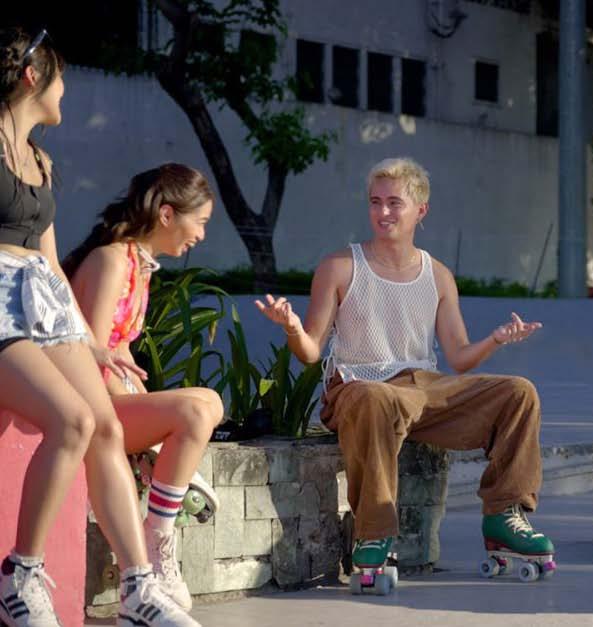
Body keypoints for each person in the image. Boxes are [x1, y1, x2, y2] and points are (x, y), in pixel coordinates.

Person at [255, 157, 554, 590]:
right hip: (358, 386)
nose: (383, 212)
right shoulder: (339, 266)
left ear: (420, 210)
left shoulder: (438, 275)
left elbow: (458, 357)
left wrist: (496, 339)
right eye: (375, 202)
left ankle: (504, 515)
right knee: (375, 396)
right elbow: (311, 352)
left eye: (395, 203)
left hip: (422, 390)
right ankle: (374, 531)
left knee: (519, 392)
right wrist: (292, 327)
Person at [0, 27, 198, 626]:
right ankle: (20, 577)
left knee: (105, 426)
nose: (65, 91)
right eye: (60, 78)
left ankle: (139, 589)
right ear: (32, 77)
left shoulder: (40, 160)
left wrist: (90, 342)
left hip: (41, 303)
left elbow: (49, 262)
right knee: (73, 420)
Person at [64, 164, 224, 611]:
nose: (202, 235)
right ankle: (157, 537)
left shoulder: (138, 266)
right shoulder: (112, 261)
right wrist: (144, 411)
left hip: (110, 400)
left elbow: (121, 353)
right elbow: (90, 359)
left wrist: (144, 404)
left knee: (208, 402)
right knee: (195, 410)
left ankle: (159, 504)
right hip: (87, 407)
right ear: (167, 214)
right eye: (201, 222)